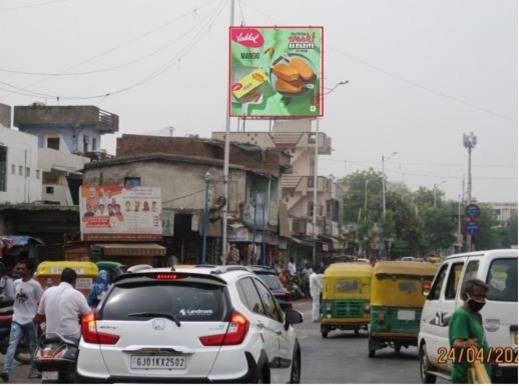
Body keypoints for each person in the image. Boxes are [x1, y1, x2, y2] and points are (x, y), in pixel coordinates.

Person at [1, 260, 43, 381]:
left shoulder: (35, 285)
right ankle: (6, 372)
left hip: (31, 320)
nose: (19, 271)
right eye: (18, 269)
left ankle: (34, 371)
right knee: (12, 345)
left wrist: (38, 316)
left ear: (29, 270)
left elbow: (41, 301)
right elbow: (16, 299)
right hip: (17, 319)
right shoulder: (16, 283)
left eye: (22, 269)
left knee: (33, 346)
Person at [449, 279, 491, 383]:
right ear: (465, 296)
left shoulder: (477, 316)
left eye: (483, 297)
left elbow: (481, 342)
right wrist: (467, 343)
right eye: (477, 296)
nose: (481, 300)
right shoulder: (461, 315)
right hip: (466, 376)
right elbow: (456, 343)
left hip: (480, 374)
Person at [35, 268, 90, 341]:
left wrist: (44, 328)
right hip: (72, 337)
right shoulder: (77, 294)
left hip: (51, 337)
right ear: (74, 281)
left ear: (61, 279)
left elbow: (39, 317)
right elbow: (88, 315)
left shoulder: (47, 292)